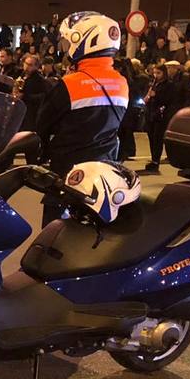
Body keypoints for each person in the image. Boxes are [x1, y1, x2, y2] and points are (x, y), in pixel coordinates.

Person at [35, 11, 129, 224]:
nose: (66, 49)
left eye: (69, 41)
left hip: (68, 175)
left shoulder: (70, 84)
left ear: (85, 41)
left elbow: (41, 127)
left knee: (52, 241)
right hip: (105, 171)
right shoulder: (121, 83)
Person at [143, 62, 175, 173]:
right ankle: (153, 159)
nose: (156, 75)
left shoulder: (169, 84)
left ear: (164, 73)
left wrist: (156, 95)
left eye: (159, 73)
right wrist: (147, 98)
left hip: (160, 115)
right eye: (155, 72)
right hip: (151, 113)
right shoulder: (153, 83)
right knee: (151, 137)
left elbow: (169, 99)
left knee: (157, 138)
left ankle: (156, 161)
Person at [18, 53, 48, 131]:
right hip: (20, 111)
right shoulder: (21, 74)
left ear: (36, 67)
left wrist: (25, 96)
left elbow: (44, 96)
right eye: (26, 63)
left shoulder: (39, 80)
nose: (27, 67)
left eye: (30, 65)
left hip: (30, 114)